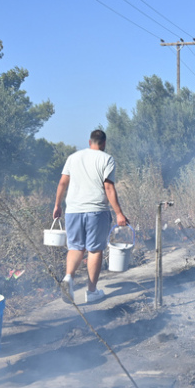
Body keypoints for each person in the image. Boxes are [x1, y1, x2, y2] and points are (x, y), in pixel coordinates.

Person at [53, 130, 128, 304]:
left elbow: (62, 183)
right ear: (104, 143)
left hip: (73, 210)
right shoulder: (107, 159)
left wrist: (57, 205)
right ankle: (92, 292)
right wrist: (119, 213)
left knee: (75, 248)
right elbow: (108, 188)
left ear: (89, 142)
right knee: (94, 250)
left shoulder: (73, 157)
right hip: (96, 210)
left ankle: (68, 277)